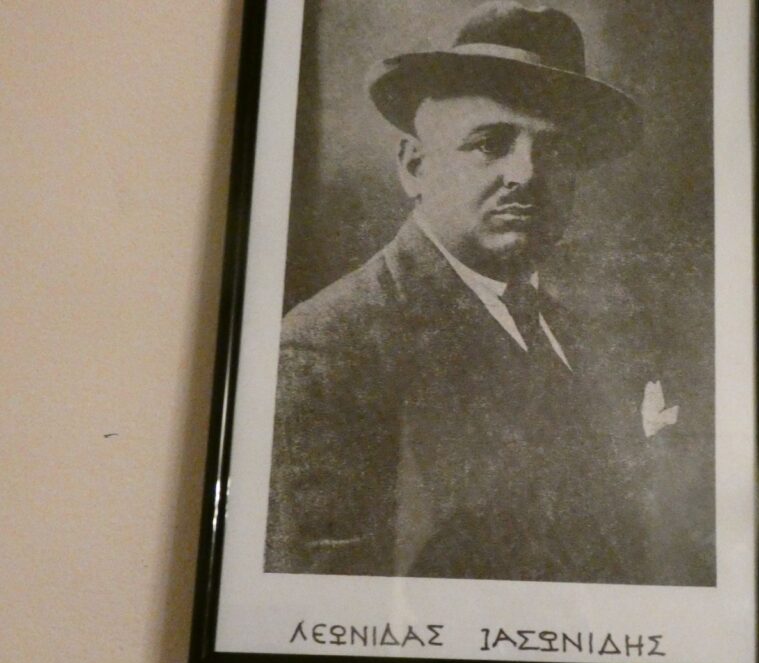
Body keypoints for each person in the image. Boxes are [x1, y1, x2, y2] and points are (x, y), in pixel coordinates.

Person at [265, 1, 657, 583]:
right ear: (414, 166)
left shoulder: (580, 336)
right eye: (490, 143)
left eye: (554, 151)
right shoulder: (327, 347)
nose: (526, 174)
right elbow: (328, 601)